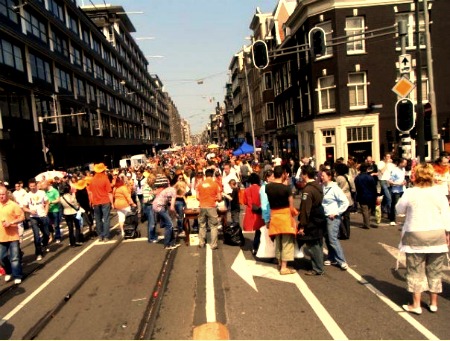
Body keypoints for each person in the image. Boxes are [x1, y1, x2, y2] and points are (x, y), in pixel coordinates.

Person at [396, 163, 450, 314]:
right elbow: (446, 214)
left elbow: (399, 210)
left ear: (416, 176)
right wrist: (447, 233)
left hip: (415, 234)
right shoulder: (439, 193)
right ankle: (433, 303)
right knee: (435, 270)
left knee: (415, 270)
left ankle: (416, 304)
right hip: (436, 234)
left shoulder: (410, 193)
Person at [265, 166, 298, 275]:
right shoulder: (287, 188)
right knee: (287, 242)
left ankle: (279, 263)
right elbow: (291, 205)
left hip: (274, 215)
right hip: (285, 216)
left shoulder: (268, 187)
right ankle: (284, 267)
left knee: (278, 241)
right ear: (284, 174)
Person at [297, 165, 326, 276]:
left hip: (312, 220)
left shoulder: (308, 190)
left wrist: (303, 225)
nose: (301, 176)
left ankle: (318, 268)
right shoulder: (318, 186)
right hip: (319, 217)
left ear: (305, 175)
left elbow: (305, 209)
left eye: (301, 174)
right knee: (317, 243)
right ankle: (318, 265)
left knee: (313, 244)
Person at [321, 169, 349, 270]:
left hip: (332, 217)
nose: (321, 177)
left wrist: (336, 212)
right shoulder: (323, 187)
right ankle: (331, 257)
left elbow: (345, 202)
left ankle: (341, 260)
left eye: (323, 175)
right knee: (327, 238)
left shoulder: (335, 188)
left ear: (329, 177)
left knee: (333, 238)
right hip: (324, 215)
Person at [0, 184, 25, 284]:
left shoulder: (13, 205)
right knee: (2, 258)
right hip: (1, 237)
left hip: (13, 236)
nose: (1, 196)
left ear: (6, 194)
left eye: (2, 194)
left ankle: (17, 275)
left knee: (14, 257)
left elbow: (22, 217)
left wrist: (11, 222)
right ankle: (9, 272)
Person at [23, 178, 50, 261]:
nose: (32, 188)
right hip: (33, 217)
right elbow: (24, 207)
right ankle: (38, 253)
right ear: (29, 186)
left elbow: (47, 202)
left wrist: (46, 212)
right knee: (36, 235)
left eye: (34, 186)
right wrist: (30, 210)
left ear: (36, 185)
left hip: (42, 215)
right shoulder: (27, 195)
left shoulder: (41, 193)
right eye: (31, 186)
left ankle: (44, 243)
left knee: (46, 234)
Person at [197, 169, 222, 250]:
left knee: (202, 225)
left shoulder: (200, 184)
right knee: (214, 226)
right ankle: (213, 244)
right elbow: (219, 197)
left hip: (202, 206)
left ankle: (201, 243)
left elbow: (197, 197)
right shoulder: (215, 184)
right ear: (212, 175)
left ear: (205, 175)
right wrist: (215, 198)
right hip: (211, 206)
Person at [152, 177, 179, 250]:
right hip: (159, 207)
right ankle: (167, 244)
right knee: (169, 225)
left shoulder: (168, 190)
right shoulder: (173, 191)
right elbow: (172, 207)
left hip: (156, 205)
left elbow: (168, 202)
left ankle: (171, 243)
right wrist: (176, 214)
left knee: (169, 224)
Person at [89, 163, 113, 242]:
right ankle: (106, 236)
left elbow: (91, 193)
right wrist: (112, 203)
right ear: (103, 170)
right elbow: (109, 192)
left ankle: (100, 235)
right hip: (105, 201)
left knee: (98, 219)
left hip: (96, 202)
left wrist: (91, 202)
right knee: (106, 219)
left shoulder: (92, 180)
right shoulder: (105, 178)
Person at [243, 173, 265, 254]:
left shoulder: (247, 190)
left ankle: (255, 248)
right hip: (260, 212)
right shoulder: (261, 189)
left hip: (250, 212)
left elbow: (245, 202)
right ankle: (259, 247)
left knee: (257, 231)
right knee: (260, 231)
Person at [354, 162, 378, 229]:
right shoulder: (370, 177)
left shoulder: (358, 178)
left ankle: (366, 224)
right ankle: (367, 222)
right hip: (371, 195)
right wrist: (376, 195)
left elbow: (357, 187)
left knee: (364, 210)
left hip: (362, 195)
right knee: (369, 210)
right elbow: (374, 187)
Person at [334, 163, 355, 239]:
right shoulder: (350, 178)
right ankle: (347, 233)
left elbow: (335, 188)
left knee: (338, 216)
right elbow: (353, 189)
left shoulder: (338, 178)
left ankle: (343, 232)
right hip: (348, 198)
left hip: (340, 198)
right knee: (347, 217)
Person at [388, 158, 407, 226]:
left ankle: (400, 215)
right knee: (394, 204)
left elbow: (403, 178)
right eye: (404, 163)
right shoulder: (395, 170)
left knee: (404, 202)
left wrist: (404, 182)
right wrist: (398, 184)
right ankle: (392, 219)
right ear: (400, 163)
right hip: (396, 190)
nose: (406, 164)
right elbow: (390, 181)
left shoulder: (403, 169)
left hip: (402, 189)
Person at [142, 174, 158, 243]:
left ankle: (153, 236)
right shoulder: (146, 187)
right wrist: (153, 194)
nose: (154, 182)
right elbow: (145, 200)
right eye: (154, 181)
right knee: (152, 223)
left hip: (152, 205)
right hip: (148, 206)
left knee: (154, 222)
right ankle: (151, 238)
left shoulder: (151, 186)